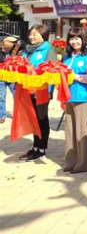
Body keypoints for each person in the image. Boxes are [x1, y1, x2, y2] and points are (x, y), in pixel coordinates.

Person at [62, 27, 87, 173]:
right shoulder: (67, 57)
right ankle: (71, 161)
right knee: (70, 130)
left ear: (84, 40)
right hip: (69, 97)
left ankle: (84, 164)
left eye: (77, 38)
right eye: (71, 38)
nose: (74, 41)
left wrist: (75, 76)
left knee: (83, 130)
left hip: (84, 97)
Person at [19, 25, 58, 161]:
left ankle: (42, 149)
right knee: (33, 119)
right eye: (31, 34)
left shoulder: (49, 50)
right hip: (27, 90)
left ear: (43, 35)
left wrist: (49, 91)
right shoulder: (27, 50)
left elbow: (53, 72)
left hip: (42, 91)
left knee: (41, 119)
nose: (32, 36)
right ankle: (35, 147)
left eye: (35, 34)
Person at [0, 36, 18, 124]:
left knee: (16, 96)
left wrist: (15, 42)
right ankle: (1, 115)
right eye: (5, 47)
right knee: (1, 97)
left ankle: (19, 114)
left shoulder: (15, 50)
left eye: (8, 47)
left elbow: (23, 44)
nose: (6, 49)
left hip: (12, 77)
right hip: (1, 78)